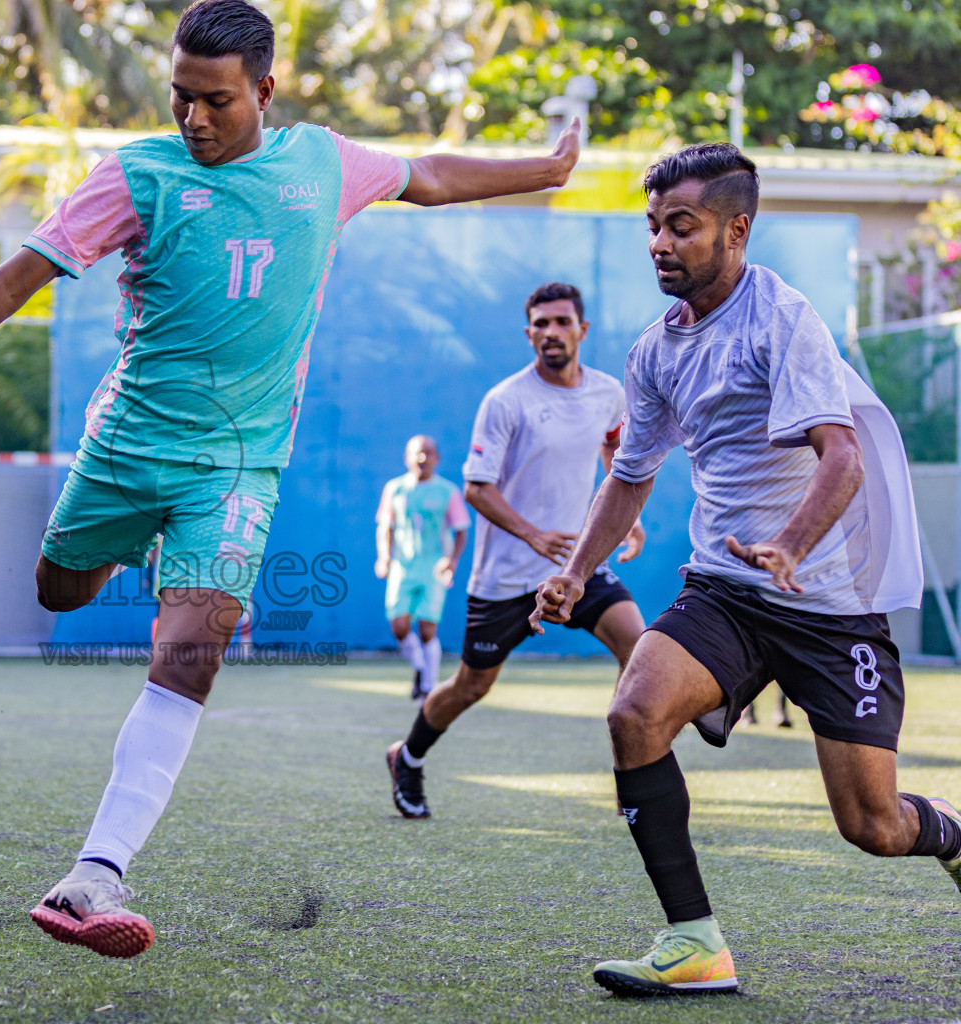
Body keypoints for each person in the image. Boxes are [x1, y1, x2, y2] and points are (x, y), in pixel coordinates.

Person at [0, 0, 583, 960]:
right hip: (128, 447)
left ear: (263, 91)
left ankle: (96, 873)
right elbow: (17, 277)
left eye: (214, 100)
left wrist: (543, 170)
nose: (193, 119)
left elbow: (428, 174)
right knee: (59, 591)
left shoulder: (323, 164)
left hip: (237, 467)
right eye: (179, 97)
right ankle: (126, 545)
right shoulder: (135, 176)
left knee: (190, 656)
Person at [530, 142, 960, 997]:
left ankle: (954, 838)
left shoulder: (783, 317)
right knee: (634, 713)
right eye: (652, 226)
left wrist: (792, 547)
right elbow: (630, 475)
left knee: (873, 825)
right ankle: (696, 942)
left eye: (680, 227)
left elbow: (841, 458)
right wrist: (578, 571)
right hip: (725, 589)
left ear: (736, 230)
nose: (660, 242)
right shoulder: (656, 350)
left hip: (827, 604)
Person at [385, 282, 646, 819]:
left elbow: (615, 451)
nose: (552, 332)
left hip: (577, 566)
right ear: (529, 334)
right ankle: (407, 756)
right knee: (471, 685)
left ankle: (631, 776)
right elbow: (477, 486)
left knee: (638, 649)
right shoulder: (505, 401)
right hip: (505, 579)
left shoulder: (606, 394)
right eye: (541, 324)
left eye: (561, 322)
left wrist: (630, 519)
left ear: (582, 329)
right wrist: (532, 534)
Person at [375, 435, 471, 703]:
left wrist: (451, 561)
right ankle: (419, 668)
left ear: (436, 458)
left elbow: (461, 530)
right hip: (402, 567)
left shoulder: (447, 492)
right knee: (399, 627)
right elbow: (385, 527)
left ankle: (428, 686)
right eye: (417, 453)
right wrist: (384, 557)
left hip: (434, 567)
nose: (422, 458)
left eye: (428, 452)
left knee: (428, 630)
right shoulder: (395, 489)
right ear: (407, 458)